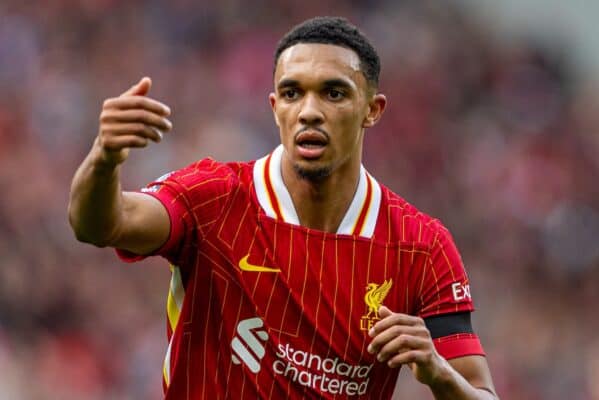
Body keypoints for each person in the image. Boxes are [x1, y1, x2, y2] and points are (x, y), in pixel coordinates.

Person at [69, 16, 498, 399]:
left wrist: (439, 373)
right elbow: (100, 225)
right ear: (275, 108)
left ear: (373, 110)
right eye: (292, 93)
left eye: (333, 93)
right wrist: (104, 157)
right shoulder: (215, 197)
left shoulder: (420, 246)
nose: (309, 111)